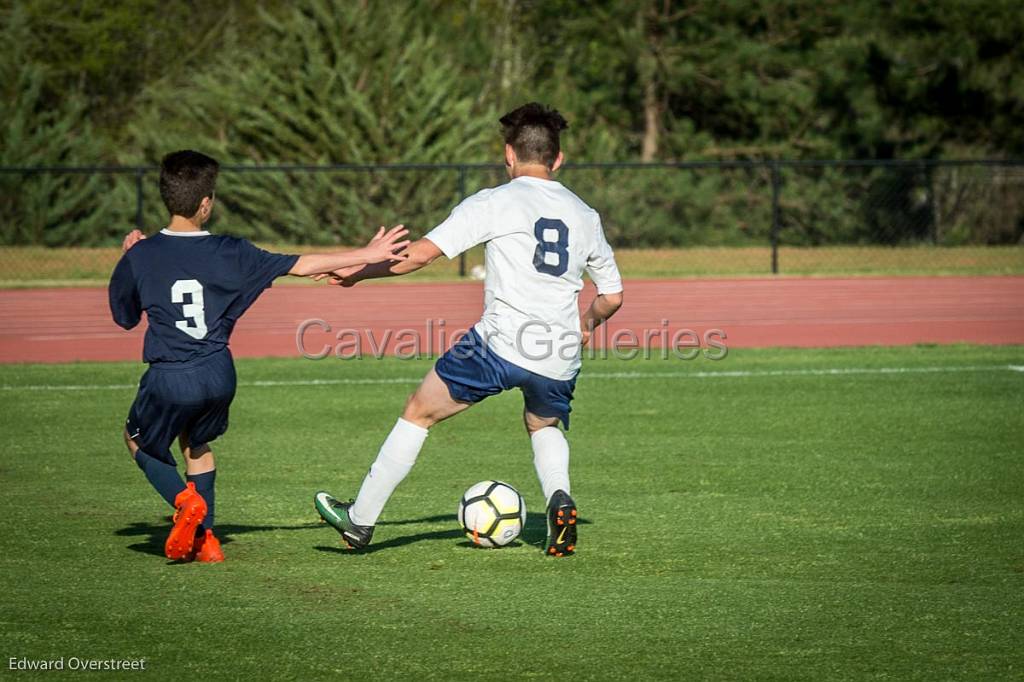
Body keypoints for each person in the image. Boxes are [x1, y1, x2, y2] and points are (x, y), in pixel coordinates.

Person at [314, 103, 624, 556]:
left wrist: (360, 271)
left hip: (498, 346)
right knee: (543, 425)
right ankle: (559, 498)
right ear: (558, 160)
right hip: (559, 351)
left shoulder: (494, 201)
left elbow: (418, 255)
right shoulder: (585, 214)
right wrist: (585, 325)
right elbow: (612, 296)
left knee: (419, 411)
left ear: (508, 156)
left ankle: (359, 522)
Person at [111, 149, 409, 562]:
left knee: (136, 439)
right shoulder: (232, 251)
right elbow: (301, 265)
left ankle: (185, 501)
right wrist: (366, 254)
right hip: (218, 373)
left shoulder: (141, 255)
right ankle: (206, 541)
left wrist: (130, 258)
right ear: (206, 203)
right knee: (197, 445)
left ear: (167, 197)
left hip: (171, 374)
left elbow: (124, 317)